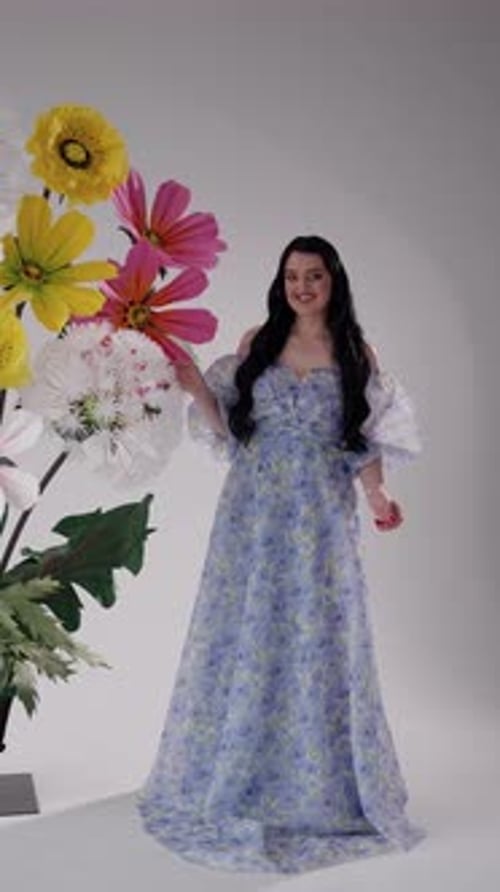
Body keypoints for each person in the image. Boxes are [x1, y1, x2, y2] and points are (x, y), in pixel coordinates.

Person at [138, 235, 425, 873]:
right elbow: (232, 432)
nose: (302, 287)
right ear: (281, 282)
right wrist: (194, 387)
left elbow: (367, 438)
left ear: (333, 281)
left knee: (320, 643)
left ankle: (321, 789)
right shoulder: (256, 344)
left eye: (314, 276)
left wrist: (379, 498)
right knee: (247, 636)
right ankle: (236, 772)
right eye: (293, 275)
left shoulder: (356, 354)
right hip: (252, 519)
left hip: (320, 523)